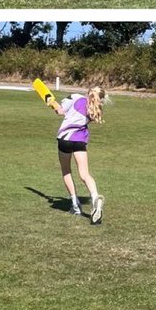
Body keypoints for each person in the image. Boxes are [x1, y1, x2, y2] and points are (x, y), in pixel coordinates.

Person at [52, 86, 105, 223]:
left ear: (88, 91)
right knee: (85, 174)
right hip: (80, 140)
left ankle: (75, 205)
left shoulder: (76, 97)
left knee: (66, 171)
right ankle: (95, 197)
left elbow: (60, 111)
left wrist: (53, 104)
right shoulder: (96, 108)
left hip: (65, 138)